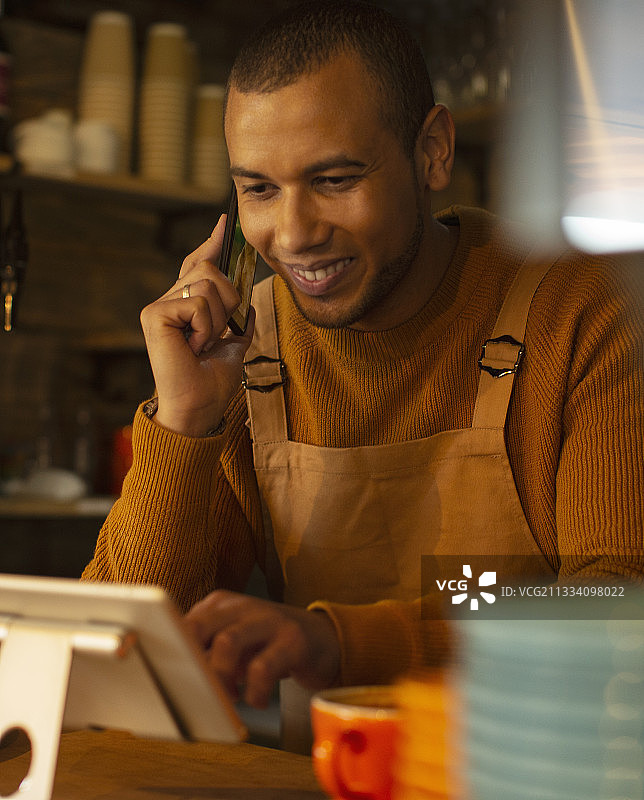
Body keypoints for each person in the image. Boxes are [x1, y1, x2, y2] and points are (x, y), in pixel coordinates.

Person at [83, 0, 643, 748]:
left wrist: (343, 644)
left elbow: (617, 604)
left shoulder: (582, 309)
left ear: (433, 151)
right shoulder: (243, 348)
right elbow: (108, 656)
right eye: (259, 189)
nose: (295, 233)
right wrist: (186, 421)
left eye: (335, 179)